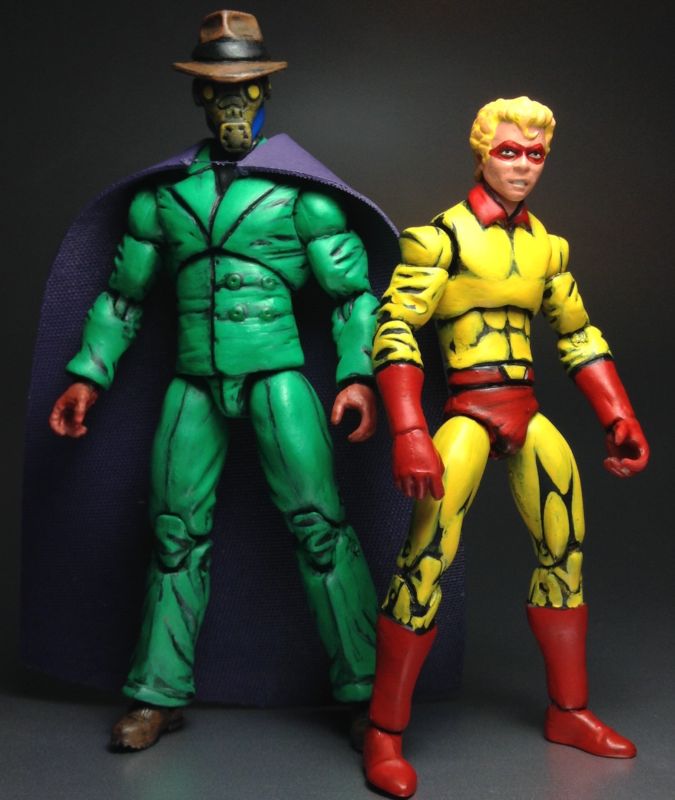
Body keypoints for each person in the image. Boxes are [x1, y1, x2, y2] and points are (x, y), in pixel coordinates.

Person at [48, 9, 387, 751]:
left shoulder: (302, 196)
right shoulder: (165, 198)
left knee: (319, 528)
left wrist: (358, 375)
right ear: (200, 95)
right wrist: (88, 375)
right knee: (175, 535)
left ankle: (370, 690)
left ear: (266, 92)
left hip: (278, 378)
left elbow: (352, 298)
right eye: (219, 90)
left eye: (247, 89)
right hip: (194, 384)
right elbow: (124, 297)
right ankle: (156, 692)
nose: (234, 104)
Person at [363, 96, 649, 797]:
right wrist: (408, 431)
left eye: (534, 154)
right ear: (481, 153)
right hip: (465, 413)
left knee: (565, 549)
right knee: (424, 560)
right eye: (508, 151)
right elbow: (394, 330)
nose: (521, 166)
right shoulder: (441, 239)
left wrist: (618, 412)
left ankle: (568, 711)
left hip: (527, 409)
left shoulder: (547, 248)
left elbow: (577, 334)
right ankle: (383, 731)